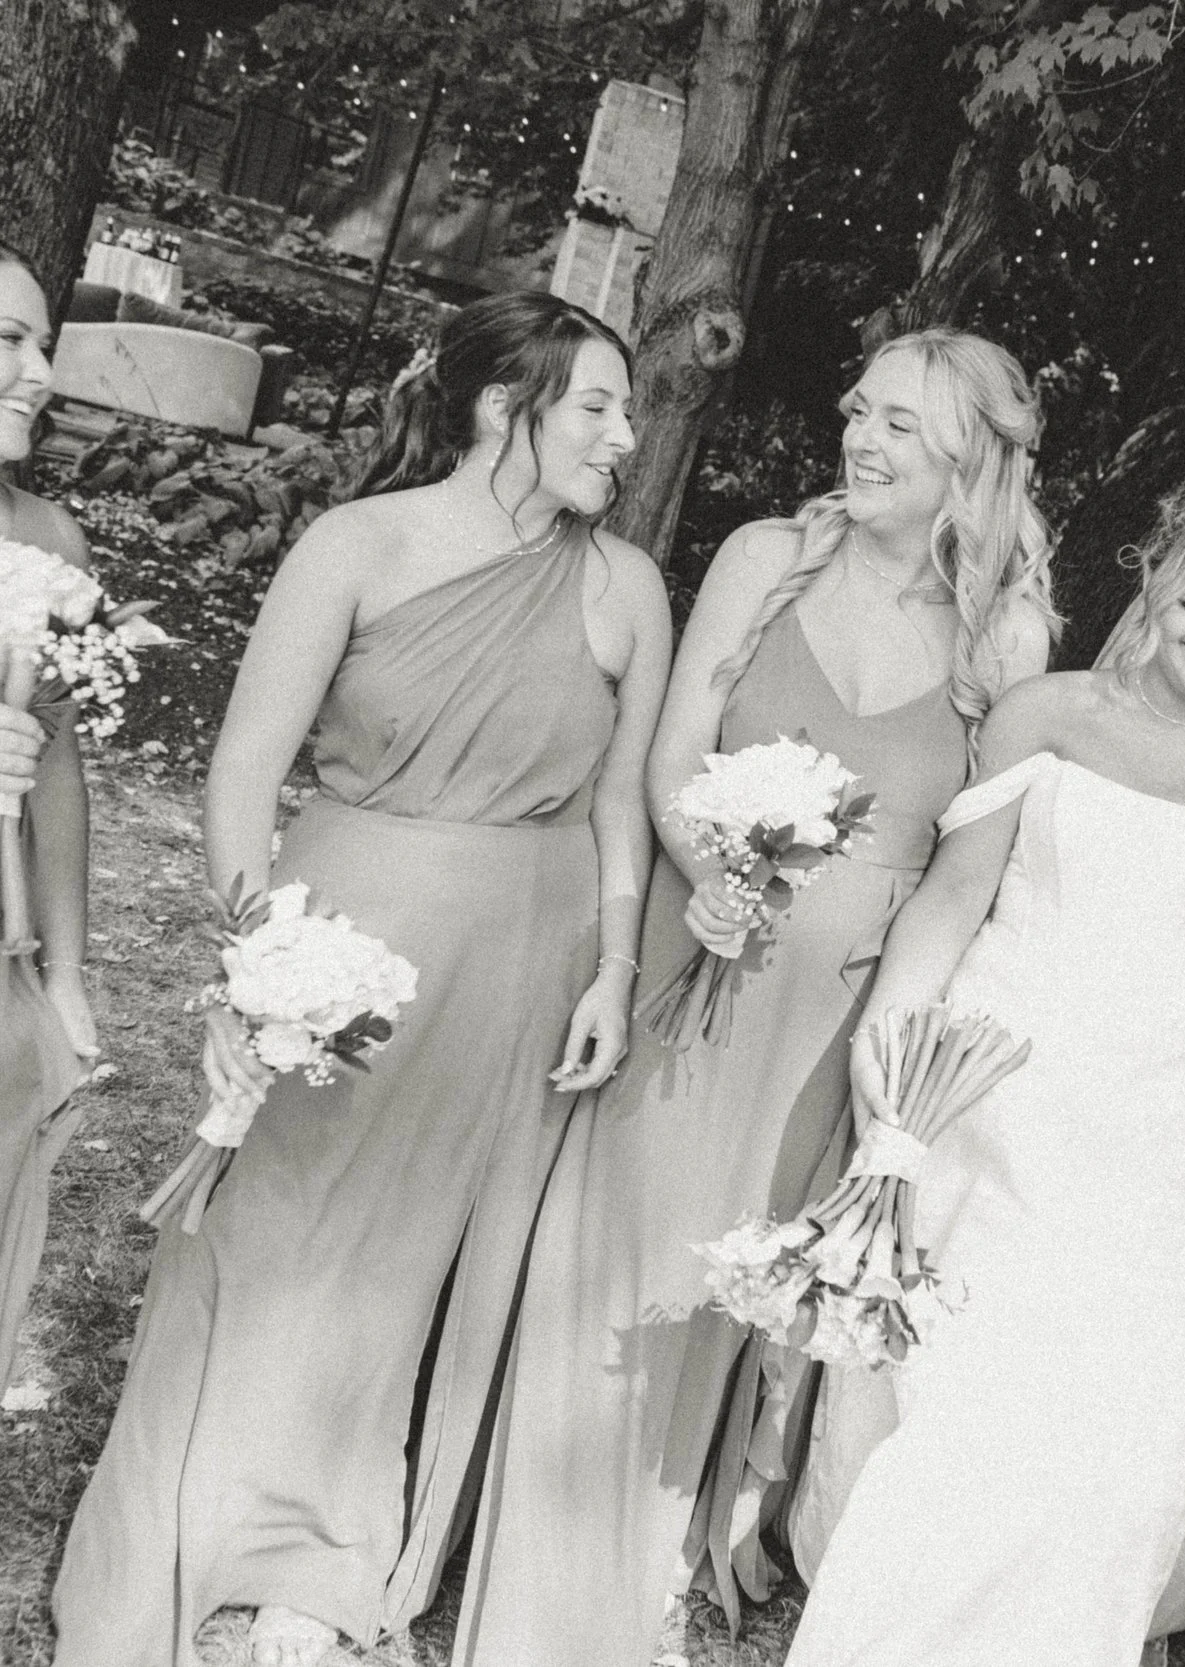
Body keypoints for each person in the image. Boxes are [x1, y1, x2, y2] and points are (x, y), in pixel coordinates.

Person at [53, 291, 672, 1667]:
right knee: (270, 1226)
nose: (626, 437)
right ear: (504, 408)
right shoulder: (358, 543)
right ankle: (199, 1509)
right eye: (598, 406)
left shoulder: (624, 586)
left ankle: (322, 1555)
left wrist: (617, 966)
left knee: (408, 1254)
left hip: (523, 950)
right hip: (340, 933)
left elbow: (624, 800)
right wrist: (257, 955)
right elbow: (239, 772)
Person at [452, 327, 1056, 1667]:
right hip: (699, 944)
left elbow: (974, 861)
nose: (863, 436)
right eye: (858, 409)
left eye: (902, 421)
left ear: (972, 451)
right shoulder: (764, 559)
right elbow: (668, 756)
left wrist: (891, 1045)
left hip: (841, 1006)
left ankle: (670, 1536)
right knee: (625, 1237)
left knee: (746, 1266)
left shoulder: (1010, 634)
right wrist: (709, 866)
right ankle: (550, 1549)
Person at [780, 465, 1185, 1666]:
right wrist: (894, 1048)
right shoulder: (1044, 713)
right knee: (977, 1367)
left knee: (1108, 1388)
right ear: (1152, 578)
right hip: (1000, 1072)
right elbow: (951, 898)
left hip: (1162, 1104)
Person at [0, 241, 101, 1397]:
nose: (41, 369)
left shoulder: (50, 540)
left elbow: (61, 770)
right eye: (9, 340)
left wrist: (65, 971)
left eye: (44, 340)